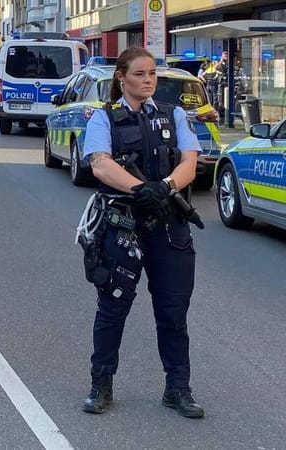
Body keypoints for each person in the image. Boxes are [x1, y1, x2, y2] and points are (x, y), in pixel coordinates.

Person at [79, 47, 204, 419]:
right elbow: (100, 165)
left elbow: (190, 163)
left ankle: (177, 389)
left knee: (173, 312)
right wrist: (139, 189)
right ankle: (100, 385)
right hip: (122, 225)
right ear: (122, 77)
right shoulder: (104, 119)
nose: (148, 80)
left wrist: (164, 188)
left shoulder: (174, 114)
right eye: (139, 74)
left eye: (152, 73)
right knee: (112, 309)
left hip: (169, 224)